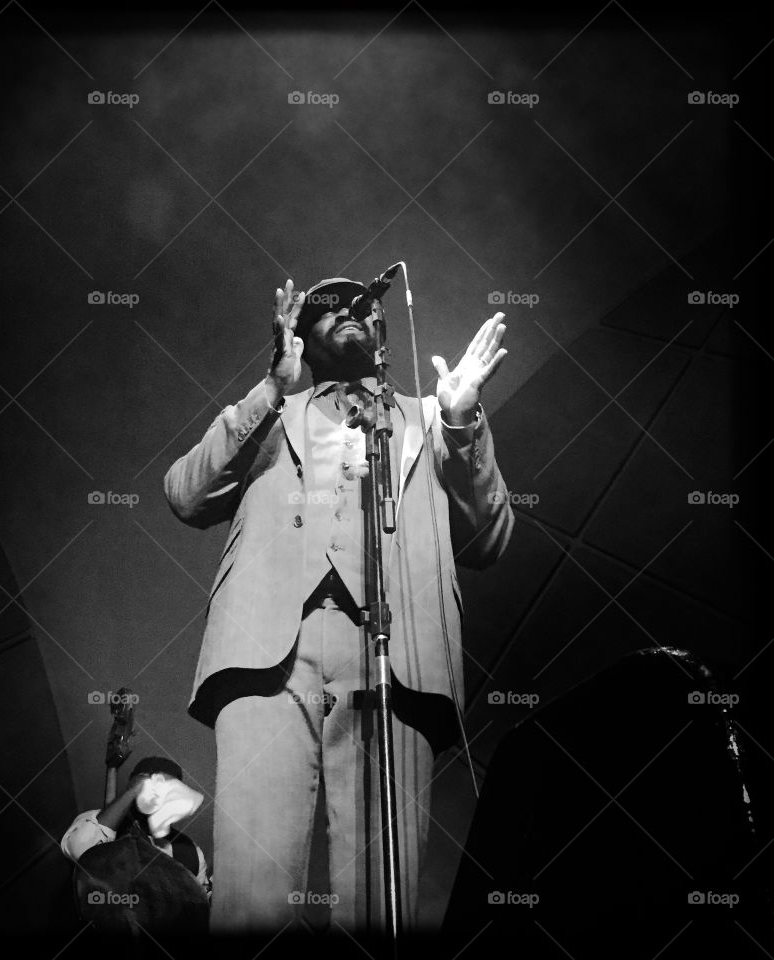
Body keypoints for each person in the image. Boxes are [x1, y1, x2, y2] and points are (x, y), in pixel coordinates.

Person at [163, 276, 514, 935]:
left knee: (380, 905)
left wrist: (461, 419)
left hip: (395, 659)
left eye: (363, 305)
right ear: (299, 336)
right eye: (327, 308)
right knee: (249, 901)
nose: (348, 312)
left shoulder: (431, 421)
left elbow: (490, 538)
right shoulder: (270, 417)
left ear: (384, 333)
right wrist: (270, 389)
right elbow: (185, 495)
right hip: (269, 654)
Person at [61, 755, 211, 901]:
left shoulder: (191, 852)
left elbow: (198, 904)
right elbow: (80, 851)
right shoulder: (94, 820)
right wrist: (134, 790)